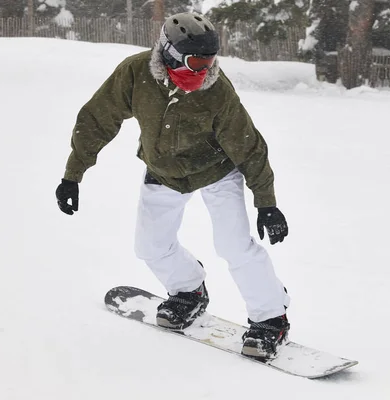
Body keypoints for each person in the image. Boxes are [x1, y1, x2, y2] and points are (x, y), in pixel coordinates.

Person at [55, 12, 290, 359]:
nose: (203, 70)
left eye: (209, 61)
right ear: (169, 51)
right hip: (163, 170)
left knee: (233, 246)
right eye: (195, 61)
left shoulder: (216, 90)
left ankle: (272, 318)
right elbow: (97, 119)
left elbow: (247, 144)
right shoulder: (135, 73)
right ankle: (188, 291)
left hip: (216, 170)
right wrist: (72, 175)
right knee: (150, 246)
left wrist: (266, 202)